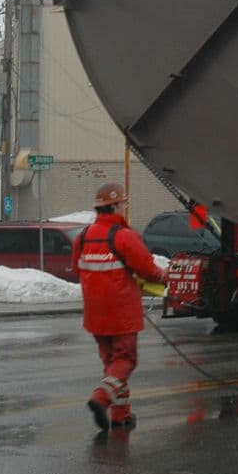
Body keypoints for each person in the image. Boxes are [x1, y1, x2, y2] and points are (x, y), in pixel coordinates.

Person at [72, 181, 167, 431]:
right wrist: (163, 276)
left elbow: (77, 268)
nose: (123, 208)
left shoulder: (82, 238)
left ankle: (120, 414)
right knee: (125, 360)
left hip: (95, 314)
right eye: (121, 204)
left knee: (112, 364)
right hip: (122, 312)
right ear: (114, 206)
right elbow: (147, 269)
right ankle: (100, 399)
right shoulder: (124, 237)